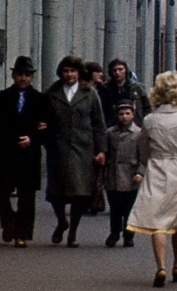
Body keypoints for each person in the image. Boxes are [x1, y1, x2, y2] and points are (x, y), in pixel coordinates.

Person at [127, 71, 177, 287]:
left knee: (158, 223)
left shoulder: (150, 120)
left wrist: (150, 161)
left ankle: (161, 266)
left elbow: (143, 150)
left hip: (156, 168)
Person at [0, 56, 48, 247]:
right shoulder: (1, 97)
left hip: (28, 154)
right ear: (13, 75)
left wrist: (33, 139)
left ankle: (21, 234)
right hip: (4, 151)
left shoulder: (40, 99)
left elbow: (47, 128)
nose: (23, 78)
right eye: (19, 74)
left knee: (26, 195)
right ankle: (9, 221)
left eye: (27, 75)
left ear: (32, 77)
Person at [44, 55, 107, 248]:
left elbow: (98, 124)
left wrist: (101, 150)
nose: (69, 75)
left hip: (83, 149)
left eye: (72, 71)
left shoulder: (89, 93)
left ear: (79, 73)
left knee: (81, 192)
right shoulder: (52, 92)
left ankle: (73, 232)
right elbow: (43, 119)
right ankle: (62, 221)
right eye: (65, 71)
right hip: (58, 148)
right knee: (56, 192)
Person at [104, 102, 144, 248]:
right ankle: (114, 233)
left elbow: (144, 157)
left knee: (129, 209)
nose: (124, 117)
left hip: (130, 175)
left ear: (133, 115)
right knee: (114, 208)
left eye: (127, 113)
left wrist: (140, 172)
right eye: (121, 114)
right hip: (113, 175)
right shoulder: (110, 133)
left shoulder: (139, 133)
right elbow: (105, 152)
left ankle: (128, 235)